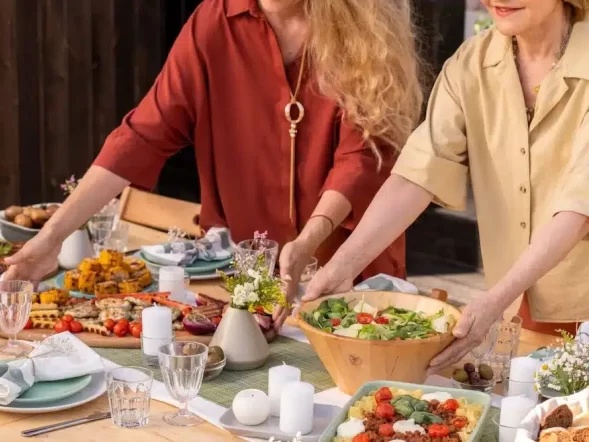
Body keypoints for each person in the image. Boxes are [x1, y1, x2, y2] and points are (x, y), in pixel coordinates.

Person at [4, 0, 422, 329]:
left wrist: (308, 242)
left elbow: (362, 158)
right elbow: (141, 135)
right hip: (249, 276)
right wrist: (53, 236)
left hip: (347, 267)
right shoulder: (212, 23)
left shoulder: (366, 27)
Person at [304, 0, 589, 371]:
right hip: (520, 307)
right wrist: (344, 264)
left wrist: (495, 297)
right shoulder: (470, 63)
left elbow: (578, 208)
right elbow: (418, 174)